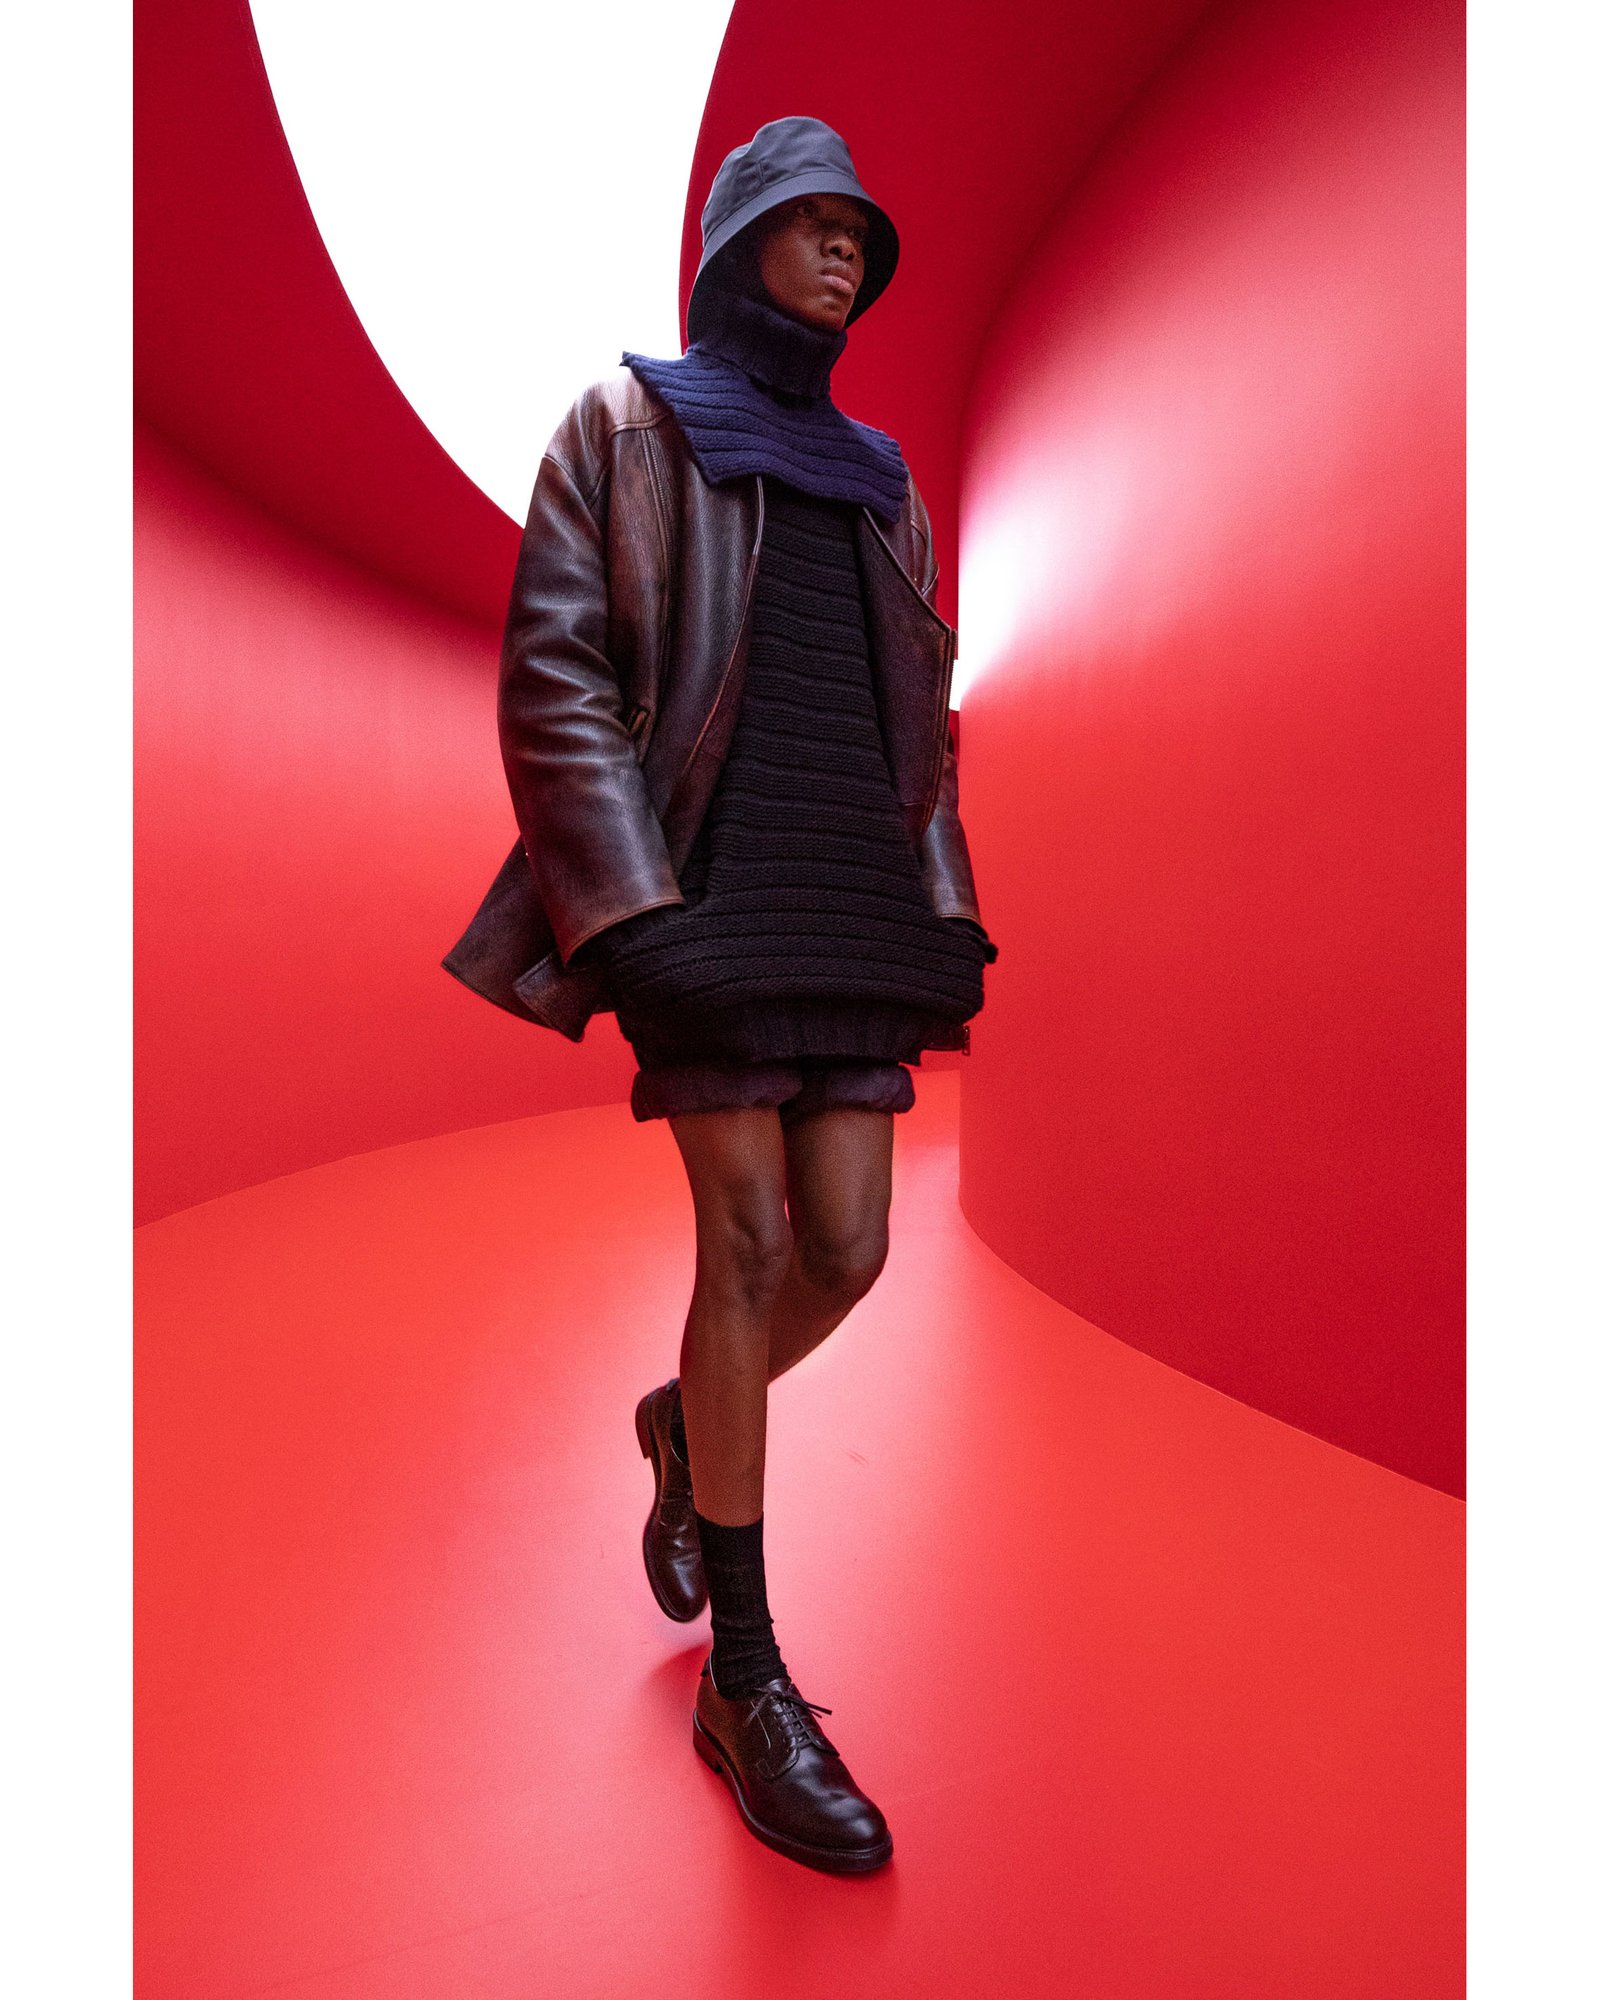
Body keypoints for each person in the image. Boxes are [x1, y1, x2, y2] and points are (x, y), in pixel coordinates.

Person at [444, 115, 997, 1874]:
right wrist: (629, 915)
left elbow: (925, 719)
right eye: (812, 221)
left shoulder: (884, 478)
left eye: (862, 233)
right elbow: (557, 681)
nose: (845, 250)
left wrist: (947, 905)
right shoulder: (623, 427)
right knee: (746, 1243)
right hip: (704, 896)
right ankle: (744, 1682)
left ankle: (685, 1425)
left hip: (845, 903)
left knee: (854, 1244)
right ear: (737, 233)